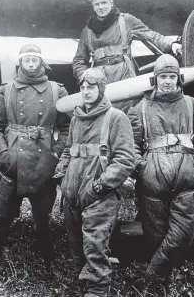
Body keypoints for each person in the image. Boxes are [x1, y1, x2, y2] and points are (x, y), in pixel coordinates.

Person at [127, 54, 194, 294]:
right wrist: (141, 169)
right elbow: (130, 145)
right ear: (155, 80)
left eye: (172, 77)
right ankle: (162, 284)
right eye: (163, 77)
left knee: (185, 232)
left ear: (179, 79)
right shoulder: (140, 109)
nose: (167, 81)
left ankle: (149, 277)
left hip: (186, 176)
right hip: (152, 178)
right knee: (155, 234)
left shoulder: (192, 104)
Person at [0, 44, 70, 282]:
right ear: (20, 63)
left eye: (35, 59)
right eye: (27, 59)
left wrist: (55, 154)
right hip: (12, 162)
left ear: (42, 63)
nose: (31, 63)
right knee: (3, 218)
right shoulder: (6, 89)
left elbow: (67, 127)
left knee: (43, 218)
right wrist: (3, 154)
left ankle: (49, 267)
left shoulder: (56, 90)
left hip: (44, 162)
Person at [54, 68, 135, 297]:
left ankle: (97, 290)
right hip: (72, 193)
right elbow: (69, 150)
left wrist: (100, 185)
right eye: (83, 87)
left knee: (95, 247)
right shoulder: (76, 119)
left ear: (102, 89)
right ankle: (84, 281)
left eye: (92, 87)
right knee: (76, 245)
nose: (87, 92)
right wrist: (62, 174)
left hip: (99, 195)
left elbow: (126, 160)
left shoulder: (116, 118)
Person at [73, 0, 182, 113]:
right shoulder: (87, 30)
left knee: (129, 114)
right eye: (97, 4)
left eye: (104, 3)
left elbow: (150, 35)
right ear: (93, 7)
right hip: (98, 79)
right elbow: (78, 60)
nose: (101, 7)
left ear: (111, 3)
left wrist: (172, 44)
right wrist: (86, 78)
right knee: (101, 115)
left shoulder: (126, 20)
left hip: (124, 74)